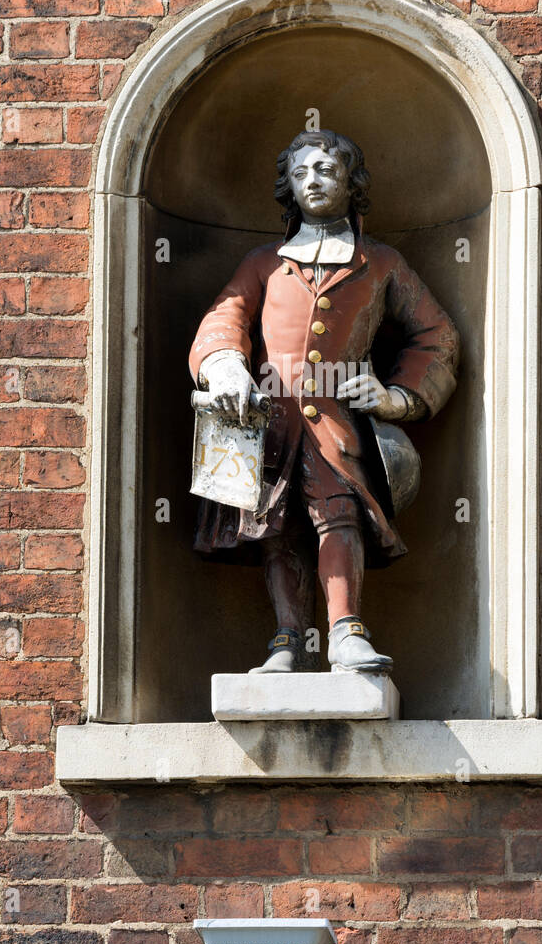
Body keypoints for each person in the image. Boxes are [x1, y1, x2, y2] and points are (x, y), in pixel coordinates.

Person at [189, 129, 459, 675]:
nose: (313, 181)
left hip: (336, 420)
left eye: (327, 171)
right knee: (275, 527)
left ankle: (345, 633)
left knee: (339, 515)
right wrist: (226, 368)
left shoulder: (379, 263)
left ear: (350, 183)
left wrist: (398, 398)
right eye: (301, 172)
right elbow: (224, 319)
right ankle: (286, 640)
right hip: (266, 420)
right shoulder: (264, 262)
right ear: (288, 185)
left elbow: (437, 336)